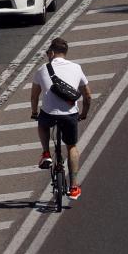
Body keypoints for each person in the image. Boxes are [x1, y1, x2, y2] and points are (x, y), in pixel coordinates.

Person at [32, 36, 90, 200]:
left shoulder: (42, 69)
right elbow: (88, 96)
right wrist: (84, 113)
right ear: (65, 53)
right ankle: (73, 187)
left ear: (51, 53)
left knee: (42, 124)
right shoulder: (77, 68)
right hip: (70, 115)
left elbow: (34, 96)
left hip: (49, 114)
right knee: (71, 146)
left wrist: (34, 112)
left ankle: (46, 154)